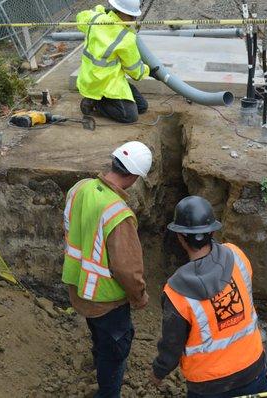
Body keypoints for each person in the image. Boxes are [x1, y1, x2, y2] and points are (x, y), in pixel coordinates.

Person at [150, 196, 267, 397]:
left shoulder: (176, 293)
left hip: (210, 386)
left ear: (180, 237)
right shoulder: (236, 256)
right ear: (212, 231)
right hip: (255, 370)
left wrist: (158, 372)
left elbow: (171, 346)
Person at [62, 141, 153, 398]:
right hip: (106, 299)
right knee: (114, 352)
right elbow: (127, 269)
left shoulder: (79, 188)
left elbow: (72, 229)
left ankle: (99, 360)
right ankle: (108, 392)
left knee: (98, 336)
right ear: (134, 177)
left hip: (79, 287)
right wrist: (139, 296)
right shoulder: (117, 213)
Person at [76, 0, 160, 124]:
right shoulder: (126, 38)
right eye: (134, 15)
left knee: (142, 107)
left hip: (91, 78)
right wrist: (148, 71)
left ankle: (97, 98)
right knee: (130, 116)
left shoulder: (95, 18)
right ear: (131, 15)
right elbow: (135, 72)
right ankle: (96, 103)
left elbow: (80, 17)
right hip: (107, 83)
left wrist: (100, 10)